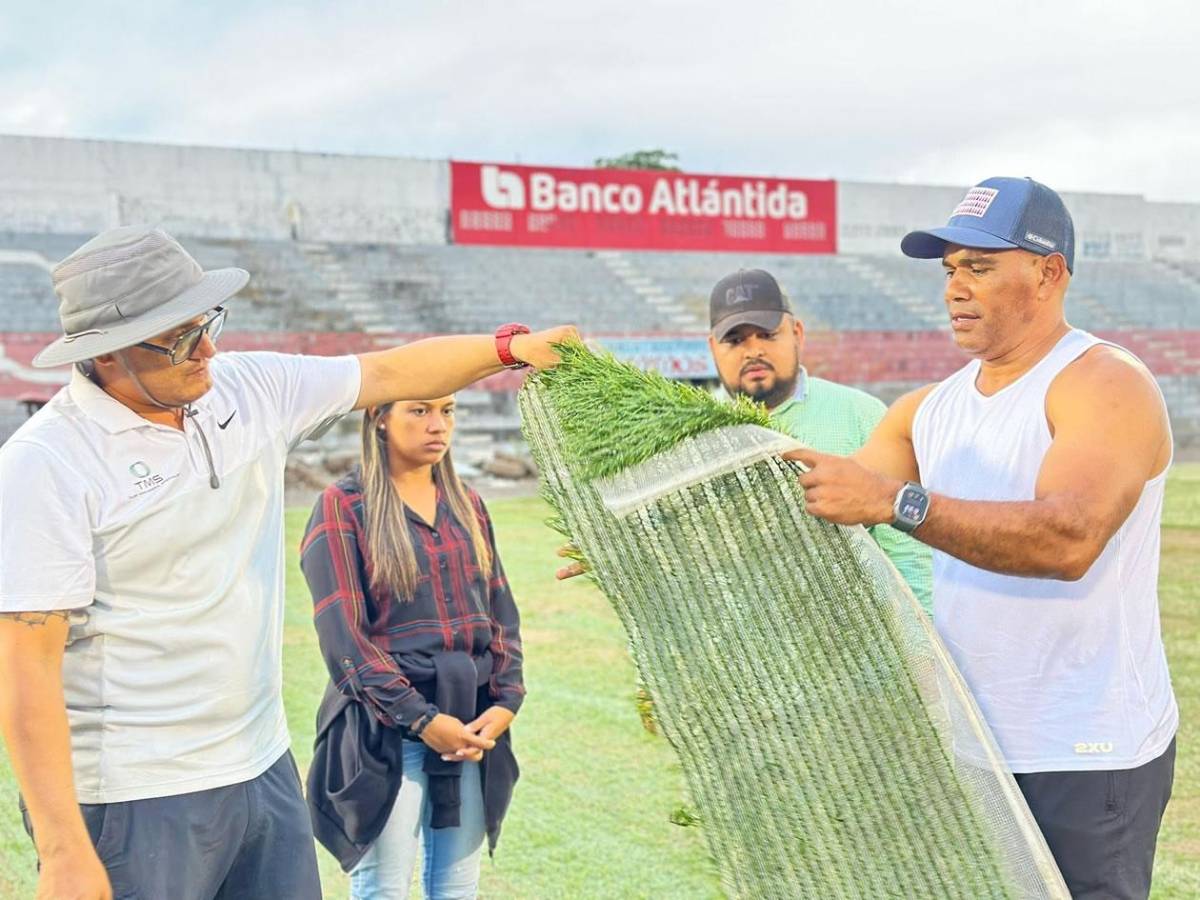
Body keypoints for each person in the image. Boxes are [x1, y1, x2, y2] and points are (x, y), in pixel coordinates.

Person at [0, 224, 573, 900]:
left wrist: (511, 348)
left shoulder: (247, 388)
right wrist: (63, 849)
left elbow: (388, 372)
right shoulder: (46, 464)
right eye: (179, 338)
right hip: (134, 794)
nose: (208, 349)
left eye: (207, 322)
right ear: (106, 352)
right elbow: (26, 666)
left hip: (261, 764)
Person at [789, 177, 1176, 899]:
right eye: (949, 270)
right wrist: (633, 545)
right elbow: (812, 504)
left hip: (1087, 749)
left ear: (1049, 273)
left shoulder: (1104, 383)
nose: (955, 288)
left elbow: (1068, 539)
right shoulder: (926, 411)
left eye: (981, 266)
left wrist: (898, 503)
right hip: (974, 745)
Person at [301, 394, 522, 899]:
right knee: (384, 888)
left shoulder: (468, 504)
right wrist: (421, 720)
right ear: (380, 419)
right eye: (419, 411)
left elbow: (501, 614)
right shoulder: (344, 506)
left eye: (447, 411)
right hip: (385, 732)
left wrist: (506, 700)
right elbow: (345, 640)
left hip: (470, 725)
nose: (438, 425)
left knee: (457, 888)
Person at [705, 268, 932, 612]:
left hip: (854, 631)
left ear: (797, 333)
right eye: (735, 341)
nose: (753, 351)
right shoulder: (694, 435)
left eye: (767, 335)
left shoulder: (861, 414)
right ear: (712, 348)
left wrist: (921, 633)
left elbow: (906, 549)